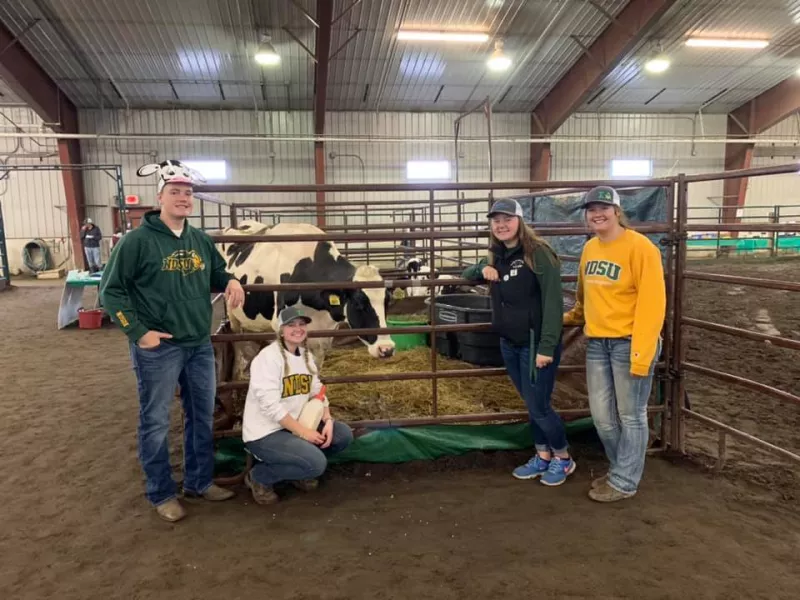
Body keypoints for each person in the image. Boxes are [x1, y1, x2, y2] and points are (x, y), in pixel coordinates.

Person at [100, 159, 245, 522]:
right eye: (175, 192)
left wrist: (230, 280)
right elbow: (111, 292)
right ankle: (161, 492)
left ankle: (198, 482)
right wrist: (138, 332)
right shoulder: (136, 241)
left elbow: (215, 271)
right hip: (159, 347)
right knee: (156, 420)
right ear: (159, 197)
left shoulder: (199, 240)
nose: (183, 198)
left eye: (188, 193)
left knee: (201, 415)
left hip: (198, 343)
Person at [463, 198, 576, 486]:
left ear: (520, 221)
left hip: (534, 343)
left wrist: (547, 346)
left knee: (539, 406)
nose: (501, 225)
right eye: (496, 220)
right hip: (509, 343)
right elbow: (466, 275)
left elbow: (553, 303)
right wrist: (481, 271)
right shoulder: (498, 254)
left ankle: (563, 458)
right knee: (531, 403)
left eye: (507, 219)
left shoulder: (538, 254)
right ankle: (542, 455)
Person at [564, 186, 666, 503]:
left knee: (631, 415)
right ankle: (620, 468)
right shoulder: (590, 249)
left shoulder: (641, 248)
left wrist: (641, 352)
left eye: (604, 208)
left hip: (630, 342)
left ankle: (623, 481)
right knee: (603, 417)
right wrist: (570, 318)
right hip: (598, 343)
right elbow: (584, 296)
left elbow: (653, 304)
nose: (598, 214)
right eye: (592, 209)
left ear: (618, 212)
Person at [242, 305, 354, 505]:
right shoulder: (268, 358)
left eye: (301, 324)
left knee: (342, 434)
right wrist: (304, 432)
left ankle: (299, 467)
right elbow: (270, 406)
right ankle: (259, 476)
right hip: (267, 432)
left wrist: (327, 419)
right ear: (281, 330)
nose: (298, 329)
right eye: (291, 325)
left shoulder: (305, 356)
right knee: (316, 464)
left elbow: (317, 389)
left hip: (296, 426)